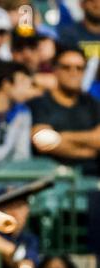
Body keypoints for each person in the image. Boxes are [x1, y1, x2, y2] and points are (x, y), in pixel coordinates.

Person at [28, 46, 100, 176]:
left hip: (90, 176)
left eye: (79, 68)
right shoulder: (40, 103)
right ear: (55, 70)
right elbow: (42, 141)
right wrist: (88, 150)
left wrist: (60, 137)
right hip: (50, 177)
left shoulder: (93, 103)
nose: (73, 73)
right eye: (66, 67)